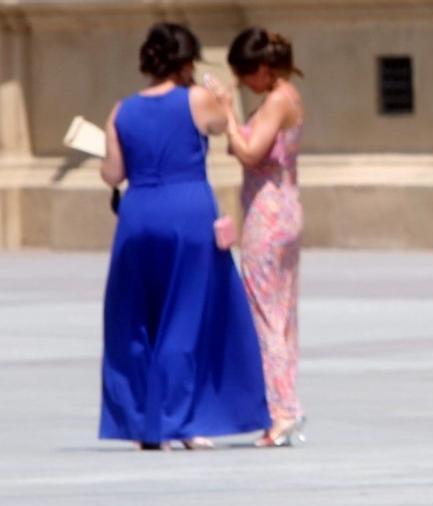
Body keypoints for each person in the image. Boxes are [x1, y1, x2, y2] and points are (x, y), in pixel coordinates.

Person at [99, 22, 271, 450]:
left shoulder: (121, 110)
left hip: (138, 216)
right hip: (187, 213)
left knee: (138, 318)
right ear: (186, 61)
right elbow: (221, 125)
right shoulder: (197, 99)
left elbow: (113, 173)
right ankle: (181, 421)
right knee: (184, 316)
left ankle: (143, 425)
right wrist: (225, 99)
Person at [216, 27, 306, 447]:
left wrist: (230, 116)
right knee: (282, 315)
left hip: (267, 216)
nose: (241, 84)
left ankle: (282, 410)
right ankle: (286, 405)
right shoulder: (288, 96)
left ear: (264, 69)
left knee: (266, 315)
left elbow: (252, 153)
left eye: (244, 75)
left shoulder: (277, 100)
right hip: (286, 208)